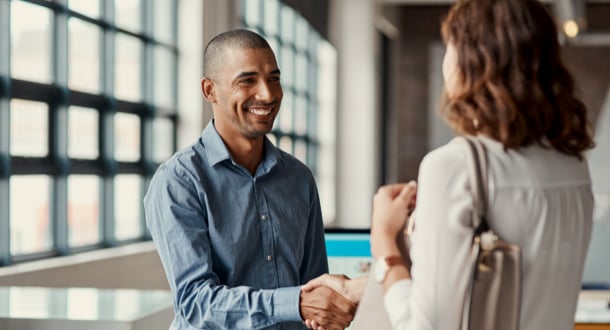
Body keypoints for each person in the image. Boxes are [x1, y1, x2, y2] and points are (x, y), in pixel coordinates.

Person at [303, 0, 596, 329]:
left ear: (472, 61)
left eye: (451, 45)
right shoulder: (573, 165)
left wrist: (385, 241)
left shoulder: (455, 167)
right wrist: (359, 288)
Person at [143, 29, 356, 330]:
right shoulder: (178, 182)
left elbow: (314, 290)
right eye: (247, 81)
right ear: (209, 91)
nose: (268, 95)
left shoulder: (299, 178)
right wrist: (293, 303)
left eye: (273, 79)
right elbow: (195, 303)